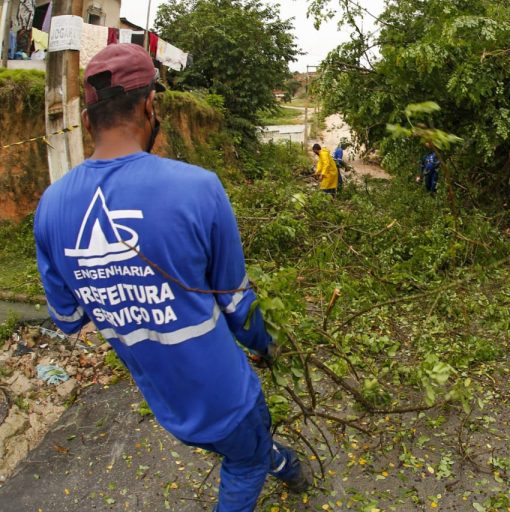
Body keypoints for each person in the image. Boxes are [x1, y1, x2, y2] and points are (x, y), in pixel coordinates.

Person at [33, 44, 309, 512]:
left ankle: (283, 465)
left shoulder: (51, 208)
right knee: (244, 462)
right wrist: (268, 346)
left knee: (248, 450)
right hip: (225, 397)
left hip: (166, 402)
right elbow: (239, 307)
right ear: (150, 105)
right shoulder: (198, 187)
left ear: (86, 116)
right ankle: (284, 468)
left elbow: (68, 317)